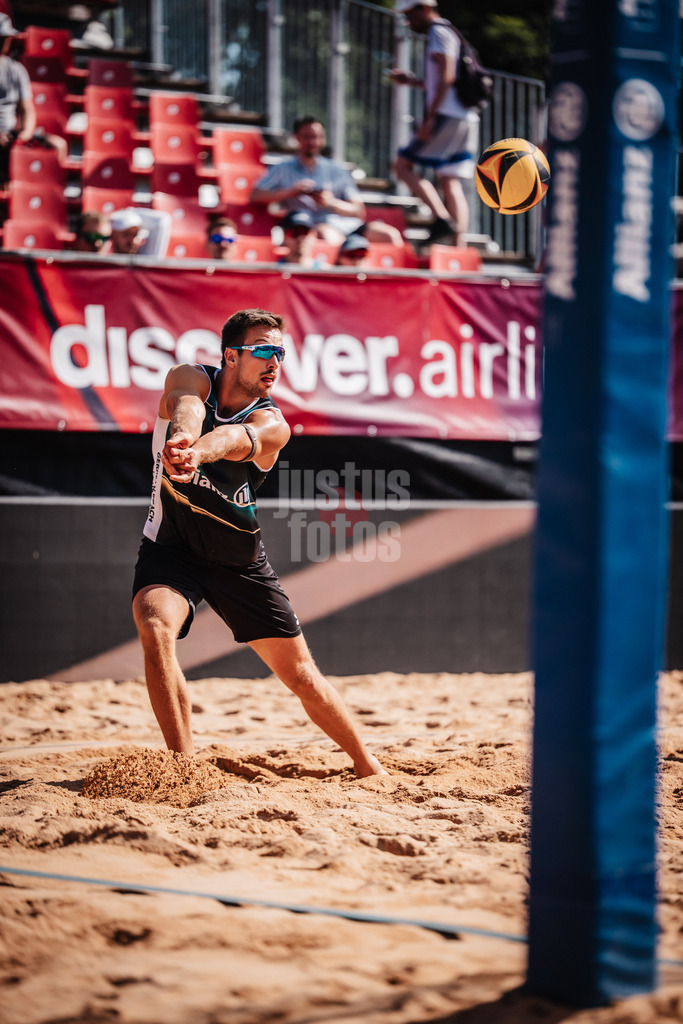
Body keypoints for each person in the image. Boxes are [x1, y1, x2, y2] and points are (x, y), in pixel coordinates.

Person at [131, 307, 386, 778]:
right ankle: (185, 769)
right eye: (264, 351)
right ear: (230, 356)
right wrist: (183, 437)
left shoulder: (274, 424)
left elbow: (233, 438)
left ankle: (368, 764)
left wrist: (195, 453)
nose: (275, 362)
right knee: (154, 625)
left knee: (302, 676)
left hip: (238, 563)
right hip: (172, 550)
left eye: (280, 353)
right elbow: (186, 407)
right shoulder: (190, 376)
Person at [388, 0, 479, 247]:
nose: (409, 22)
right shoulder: (451, 31)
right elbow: (445, 80)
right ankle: (458, 247)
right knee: (450, 179)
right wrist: (413, 81)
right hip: (464, 115)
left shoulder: (438, 32)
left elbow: (447, 77)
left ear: (424, 9)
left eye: (411, 16)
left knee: (403, 165)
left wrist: (429, 118)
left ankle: (441, 219)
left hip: (446, 115)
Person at [250, 116, 403, 247]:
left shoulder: (337, 170)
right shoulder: (283, 169)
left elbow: (358, 211)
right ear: (296, 138)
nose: (313, 142)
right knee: (329, 237)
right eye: (307, 137)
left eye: (317, 137)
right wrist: (292, 192)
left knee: (390, 236)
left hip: (347, 226)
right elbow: (256, 195)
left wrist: (330, 203)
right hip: (315, 228)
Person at [0, 13, 67, 186]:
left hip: (10, 135)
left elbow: (27, 109)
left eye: (5, 38)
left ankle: (46, 196)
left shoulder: (16, 70)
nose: (4, 42)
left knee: (56, 145)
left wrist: (24, 135)